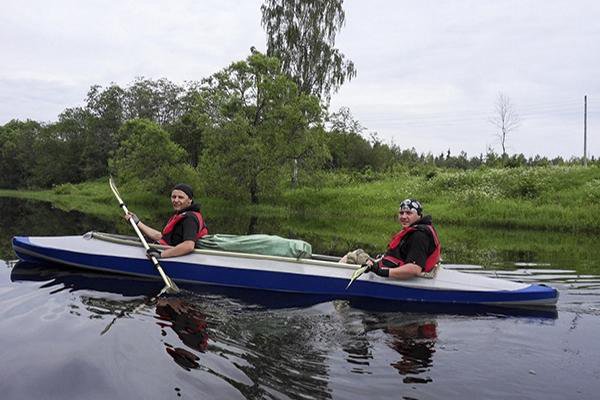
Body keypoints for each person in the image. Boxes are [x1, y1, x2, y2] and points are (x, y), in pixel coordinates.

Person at [342, 198, 441, 280]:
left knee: (350, 256)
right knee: (356, 253)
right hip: (387, 266)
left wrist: (381, 271)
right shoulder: (414, 230)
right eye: (401, 213)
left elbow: (414, 269)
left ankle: (334, 277)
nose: (404, 216)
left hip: (389, 274)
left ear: (419, 215)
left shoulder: (419, 236)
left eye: (408, 213)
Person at [126, 183, 208, 259]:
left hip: (172, 256)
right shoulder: (179, 215)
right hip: (165, 249)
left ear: (189, 200)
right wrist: (137, 222)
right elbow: (161, 236)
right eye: (173, 197)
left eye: (180, 197)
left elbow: (188, 245)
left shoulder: (190, 219)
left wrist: (161, 255)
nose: (176, 200)